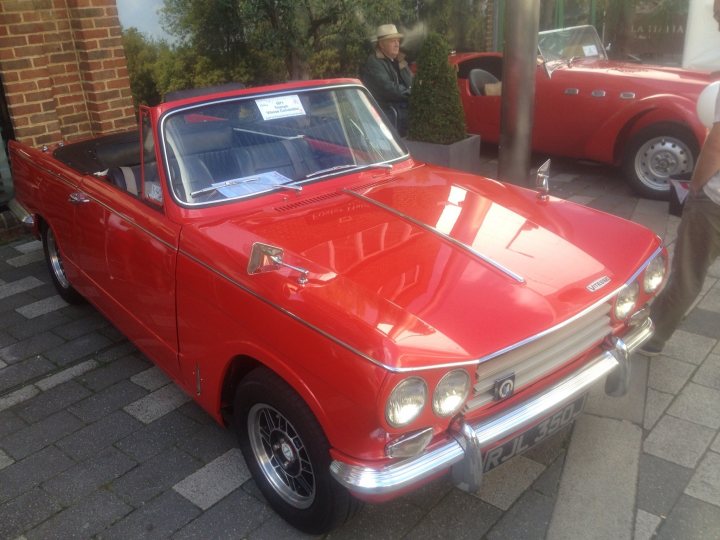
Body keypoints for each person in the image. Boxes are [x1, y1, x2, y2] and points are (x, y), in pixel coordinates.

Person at [640, 0, 720, 356]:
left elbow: (717, 147)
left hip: (715, 201)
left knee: (688, 273)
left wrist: (696, 190)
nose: (717, 26)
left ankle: (652, 337)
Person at [361, 24, 413, 136]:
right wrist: (413, 92)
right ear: (381, 45)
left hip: (402, 108)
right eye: (392, 41)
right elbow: (388, 89)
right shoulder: (374, 63)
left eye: (397, 40)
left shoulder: (399, 59)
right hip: (389, 112)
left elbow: (411, 81)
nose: (397, 44)